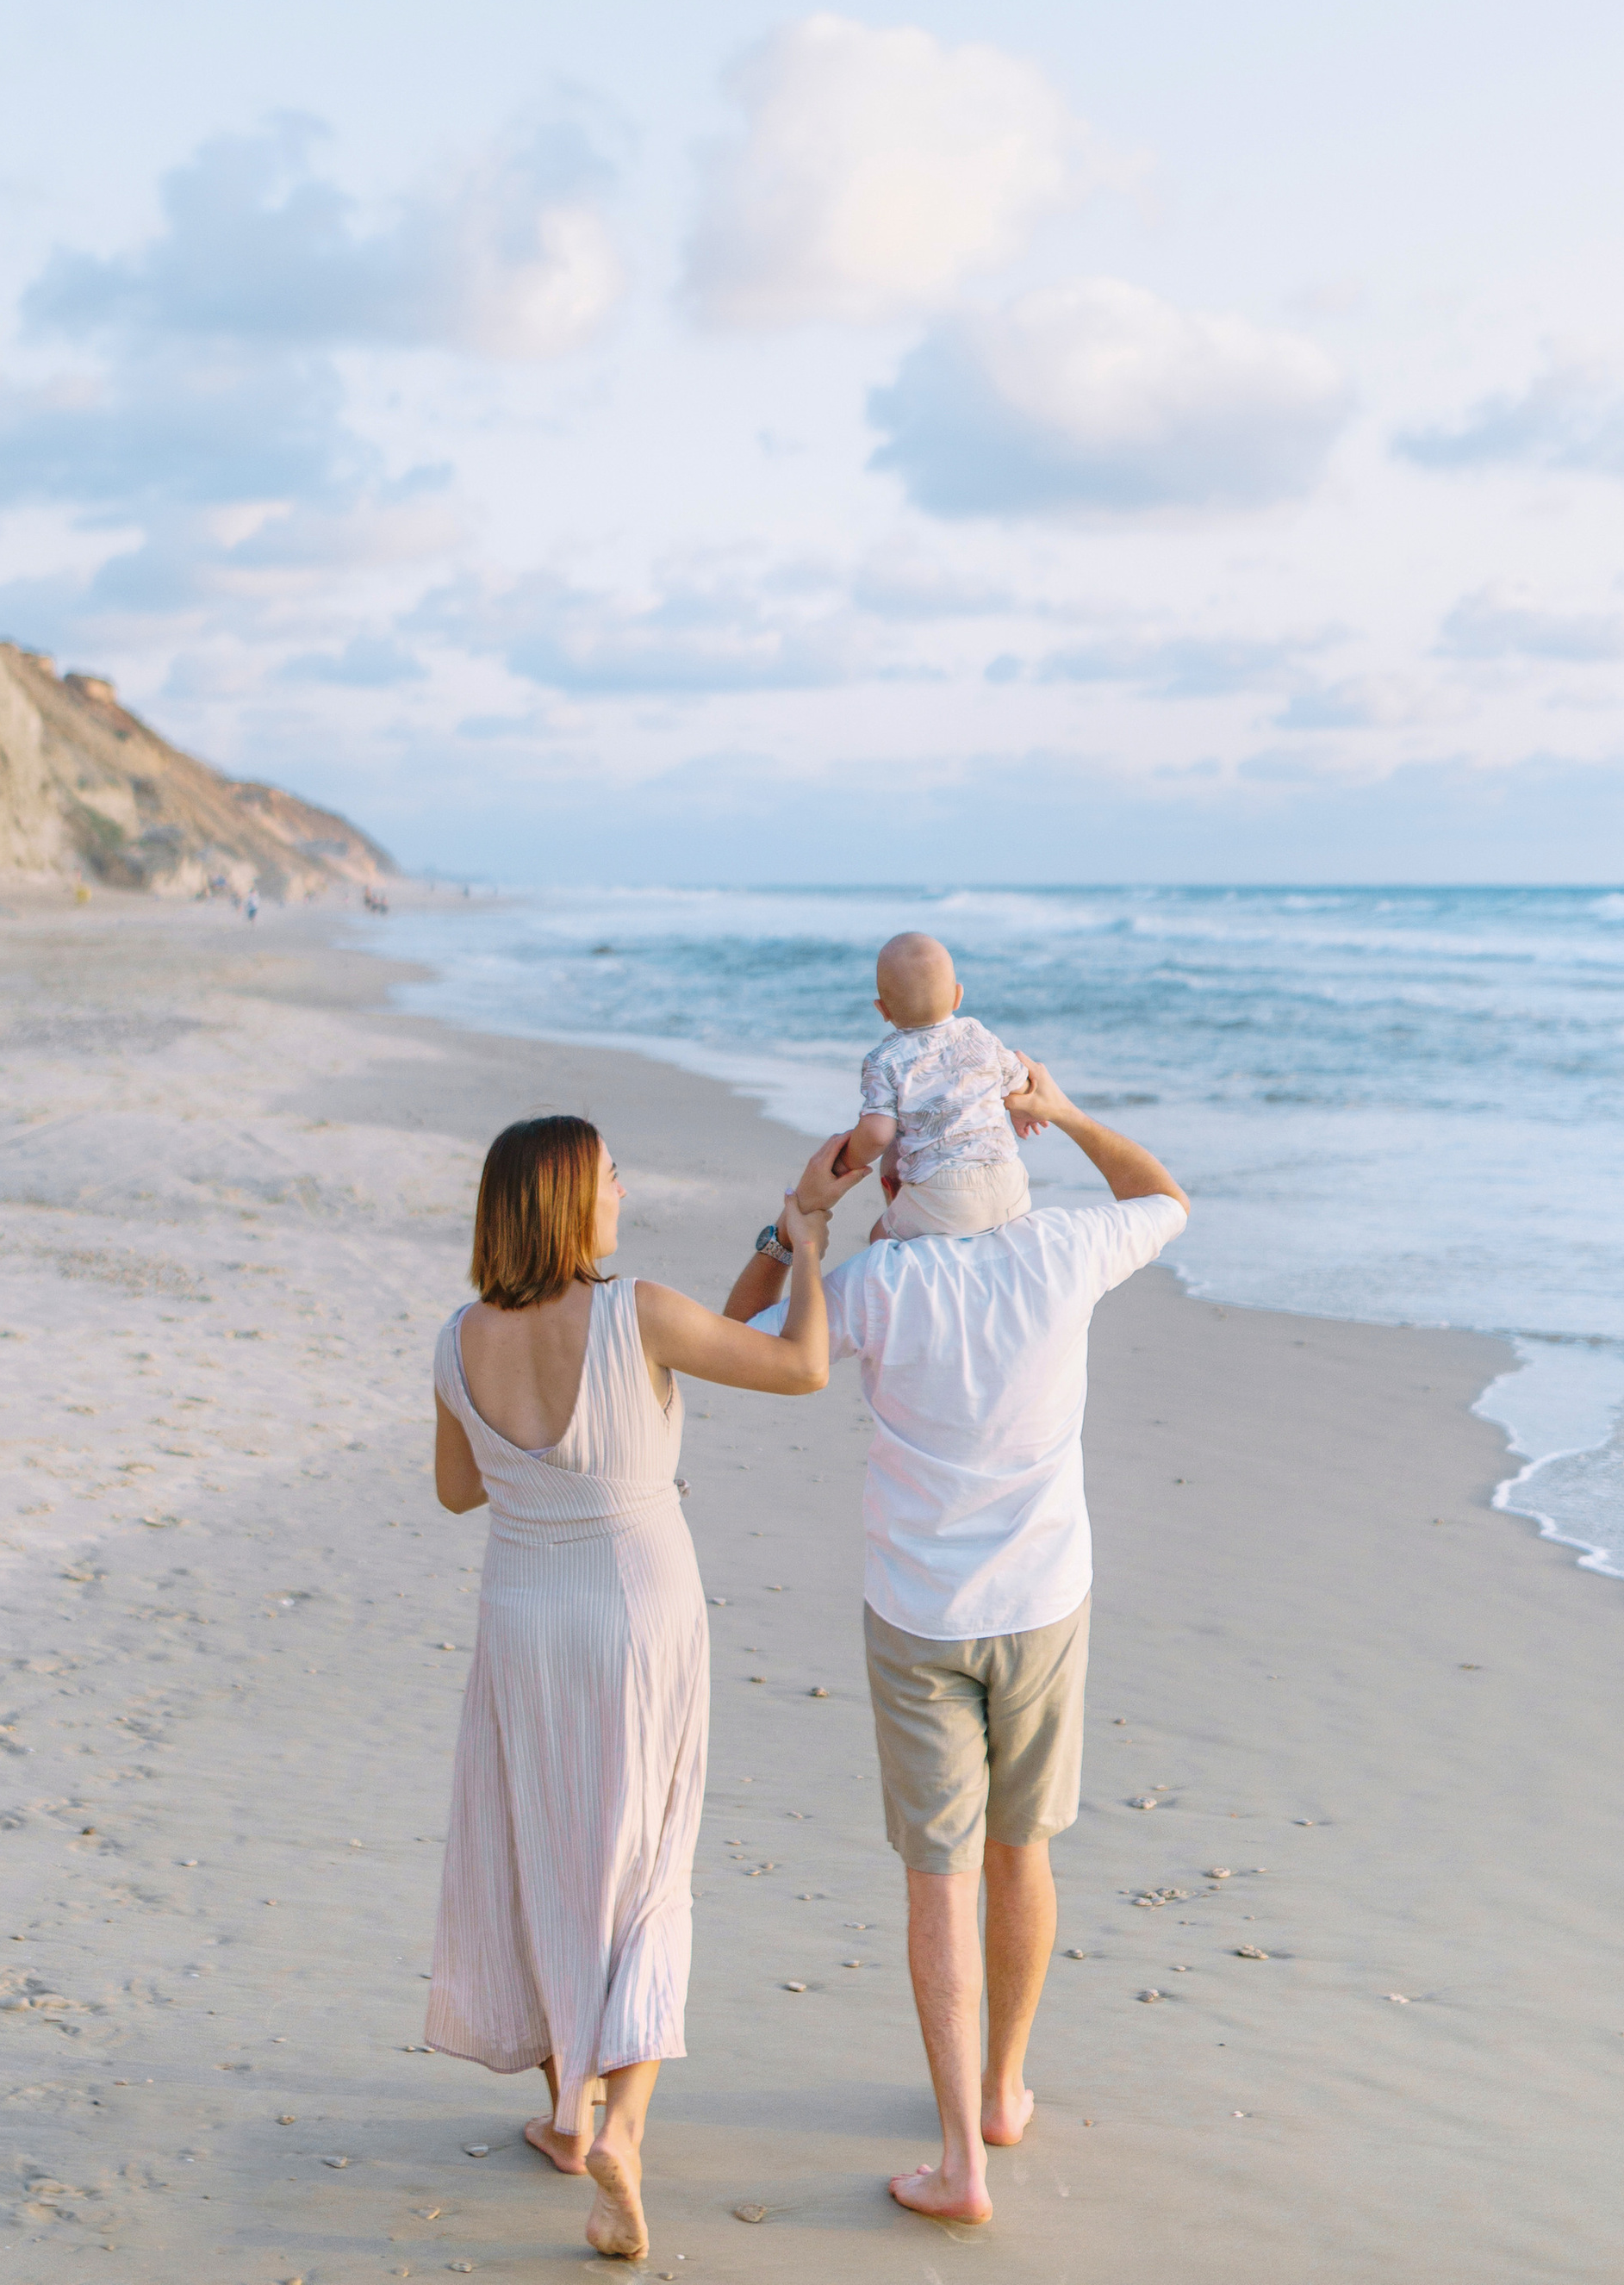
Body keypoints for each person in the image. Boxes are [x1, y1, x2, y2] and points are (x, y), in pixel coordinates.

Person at [727, 1058, 1187, 2226]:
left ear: (894, 1170)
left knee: (938, 1878)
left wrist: (802, 1229)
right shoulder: (1062, 1252)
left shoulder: (880, 1281)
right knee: (1021, 1853)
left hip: (918, 1614)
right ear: (1008, 1151)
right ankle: (1003, 2092)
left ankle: (958, 2166)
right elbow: (1166, 1200)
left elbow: (741, 1343)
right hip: (1042, 1604)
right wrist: (1071, 1109)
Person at [430, 1114, 836, 2262]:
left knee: (550, 1854)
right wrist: (808, 1246)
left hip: (523, 1610)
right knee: (649, 1859)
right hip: (638, 1612)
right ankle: (624, 2128)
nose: (623, 1186)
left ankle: (569, 2123)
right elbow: (800, 1365)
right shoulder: (638, 1311)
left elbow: (461, 1490)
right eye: (610, 1172)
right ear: (569, 1199)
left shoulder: (459, 1339)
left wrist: (773, 1232)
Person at [831, 930, 1034, 1242]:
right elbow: (1019, 1079)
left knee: (880, 1239)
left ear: (882, 1010)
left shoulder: (884, 1059)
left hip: (944, 1194)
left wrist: (845, 1163)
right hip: (1011, 1183)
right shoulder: (978, 1034)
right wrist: (1020, 1112)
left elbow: (877, 1133)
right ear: (957, 995)